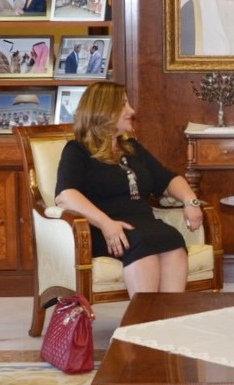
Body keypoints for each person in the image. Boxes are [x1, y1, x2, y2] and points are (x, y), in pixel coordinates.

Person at [53, 82, 205, 295]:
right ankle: (141, 322)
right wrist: (106, 223)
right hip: (103, 230)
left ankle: (168, 320)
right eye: (124, 104)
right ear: (105, 110)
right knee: (142, 244)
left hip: (144, 225)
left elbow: (169, 179)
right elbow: (65, 195)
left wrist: (191, 200)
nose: (131, 111)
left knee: (171, 238)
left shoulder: (133, 149)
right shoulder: (78, 150)